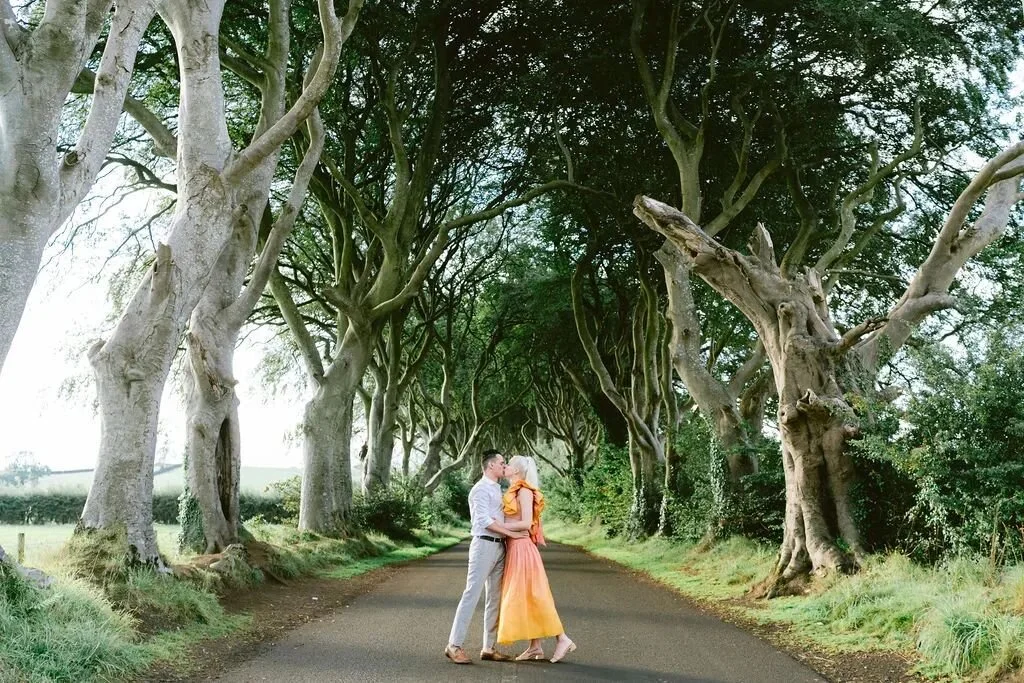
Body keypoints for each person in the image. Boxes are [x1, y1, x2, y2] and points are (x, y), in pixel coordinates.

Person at [445, 449, 526, 665]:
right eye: (501, 462)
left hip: (500, 547)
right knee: (471, 594)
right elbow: (484, 522)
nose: (504, 465)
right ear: (491, 465)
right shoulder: (479, 490)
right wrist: (512, 534)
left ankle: (488, 647)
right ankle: (454, 645)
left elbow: (501, 518)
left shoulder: (498, 489)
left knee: (495, 598)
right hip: (483, 546)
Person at [496, 454, 577, 663]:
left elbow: (525, 523)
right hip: (515, 548)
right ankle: (535, 647)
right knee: (527, 597)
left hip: (523, 549)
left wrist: (498, 526)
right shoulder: (515, 490)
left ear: (516, 471)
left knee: (535, 596)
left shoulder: (524, 491)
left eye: (508, 465)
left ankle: (562, 638)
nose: (505, 467)